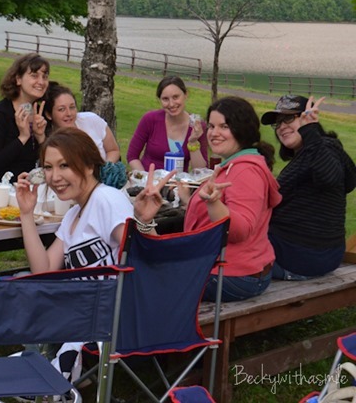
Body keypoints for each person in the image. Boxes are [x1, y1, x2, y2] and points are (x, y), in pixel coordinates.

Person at [134, 96, 282, 302]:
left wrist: (213, 203)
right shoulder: (234, 166)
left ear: (243, 129)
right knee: (142, 269)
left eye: (224, 126)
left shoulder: (246, 172)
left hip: (234, 275)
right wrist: (147, 219)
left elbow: (239, 231)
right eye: (211, 126)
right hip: (223, 268)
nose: (214, 133)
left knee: (138, 279)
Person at [15, 128, 133, 384]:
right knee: (26, 284)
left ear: (89, 166)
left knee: (28, 295)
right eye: (48, 167)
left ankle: (46, 376)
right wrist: (26, 214)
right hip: (86, 307)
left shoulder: (106, 199)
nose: (54, 177)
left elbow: (140, 247)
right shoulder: (73, 215)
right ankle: (48, 370)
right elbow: (44, 271)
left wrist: (144, 222)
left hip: (115, 314)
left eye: (65, 165)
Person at [260, 95, 356, 280]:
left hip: (302, 256)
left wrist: (310, 130)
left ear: (307, 120)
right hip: (315, 253)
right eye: (278, 123)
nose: (281, 126)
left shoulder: (325, 148)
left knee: (224, 249)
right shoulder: (310, 154)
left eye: (289, 118)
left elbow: (330, 178)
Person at [0, 53, 50, 188]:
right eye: (34, 75)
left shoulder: (40, 114)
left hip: (27, 189)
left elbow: (51, 162)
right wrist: (23, 137)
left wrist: (41, 137)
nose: (41, 82)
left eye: (44, 76)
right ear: (18, 79)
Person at [126, 76, 208, 172]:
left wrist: (193, 142)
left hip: (179, 181)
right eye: (165, 99)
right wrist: (146, 177)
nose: (171, 104)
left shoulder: (197, 126)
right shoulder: (150, 119)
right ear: (159, 100)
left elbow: (200, 171)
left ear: (186, 95)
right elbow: (132, 156)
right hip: (149, 179)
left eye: (175, 97)